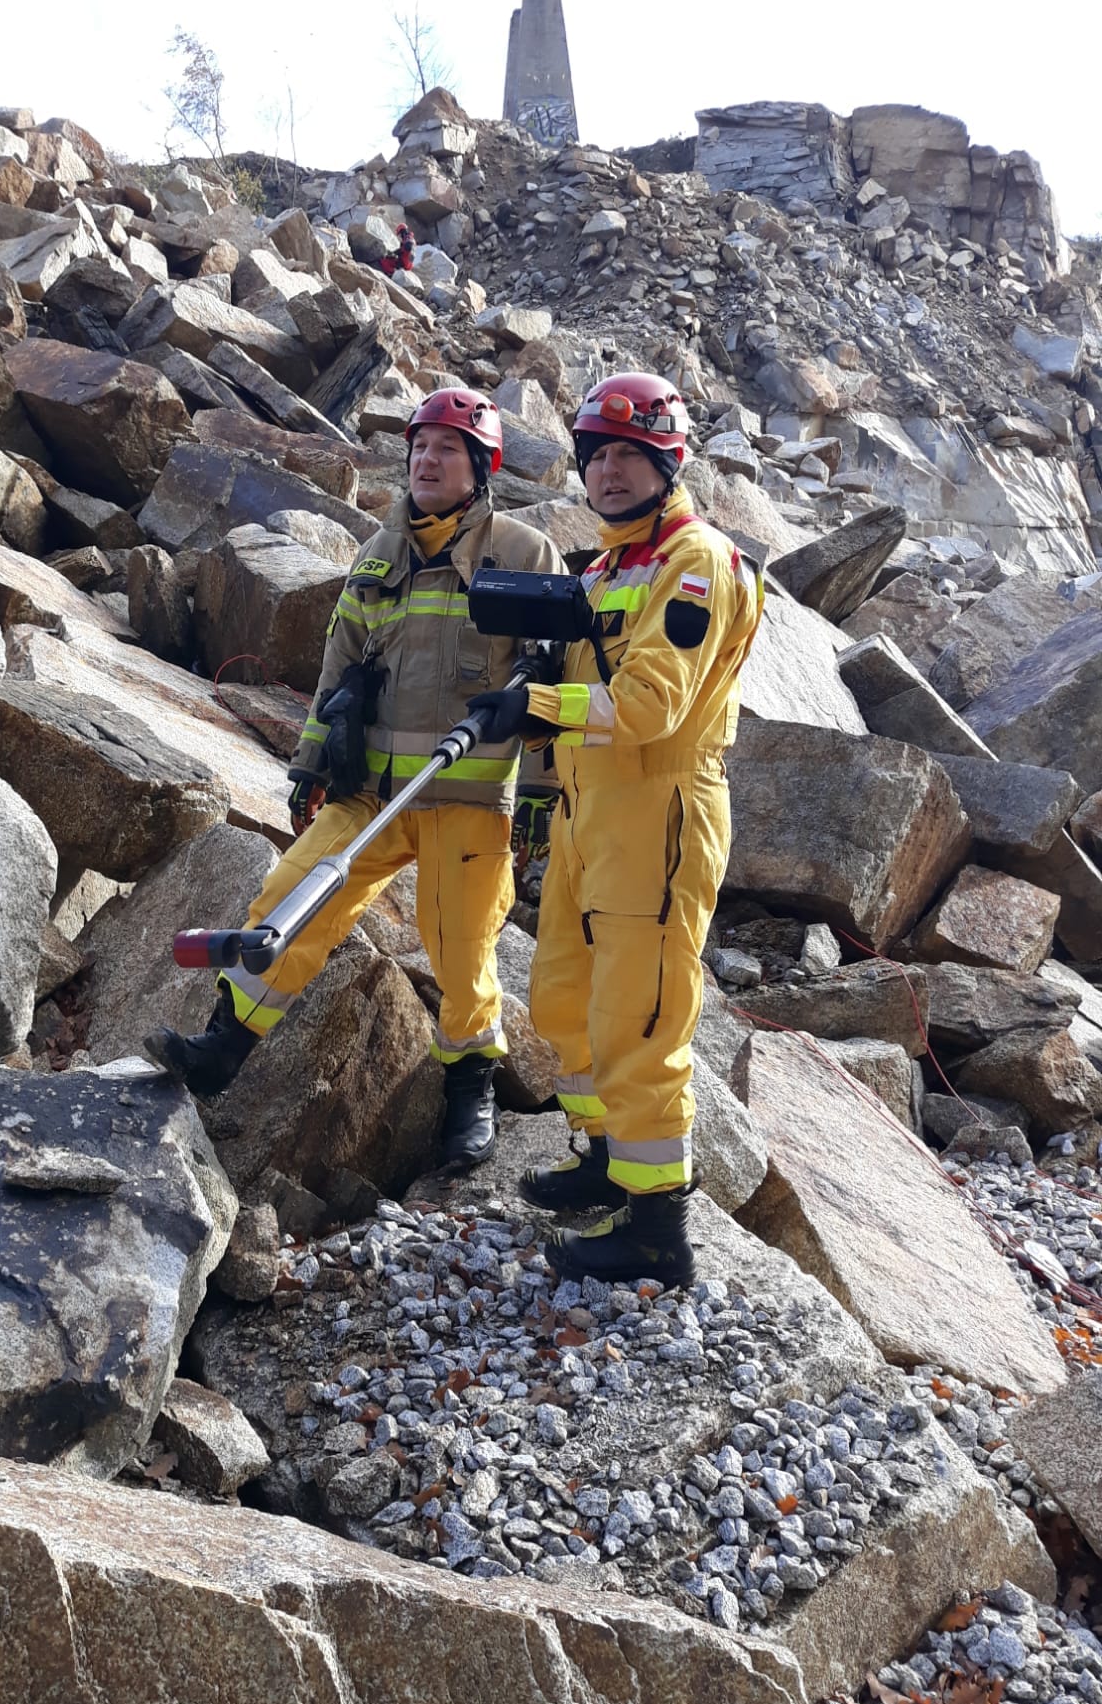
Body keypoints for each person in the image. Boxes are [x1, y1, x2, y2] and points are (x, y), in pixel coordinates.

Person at [144, 389, 564, 1167]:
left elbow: (549, 680)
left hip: (467, 796)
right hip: (367, 789)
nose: (427, 460)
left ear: (481, 468)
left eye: (447, 449)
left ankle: (470, 1088)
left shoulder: (523, 555)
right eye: (420, 446)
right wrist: (310, 763)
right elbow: (338, 667)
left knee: (461, 947)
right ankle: (223, 1048)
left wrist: (542, 791)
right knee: (290, 898)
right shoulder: (379, 554)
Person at [465, 371, 763, 1286]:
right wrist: (537, 684)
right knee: (563, 997)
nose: (611, 472)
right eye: (598, 456)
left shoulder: (695, 561)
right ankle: (606, 1157)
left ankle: (657, 1228)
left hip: (659, 808)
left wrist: (534, 707)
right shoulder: (601, 569)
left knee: (640, 1013)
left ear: (669, 466)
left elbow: (650, 706)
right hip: (587, 811)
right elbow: (585, 676)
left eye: (633, 456)